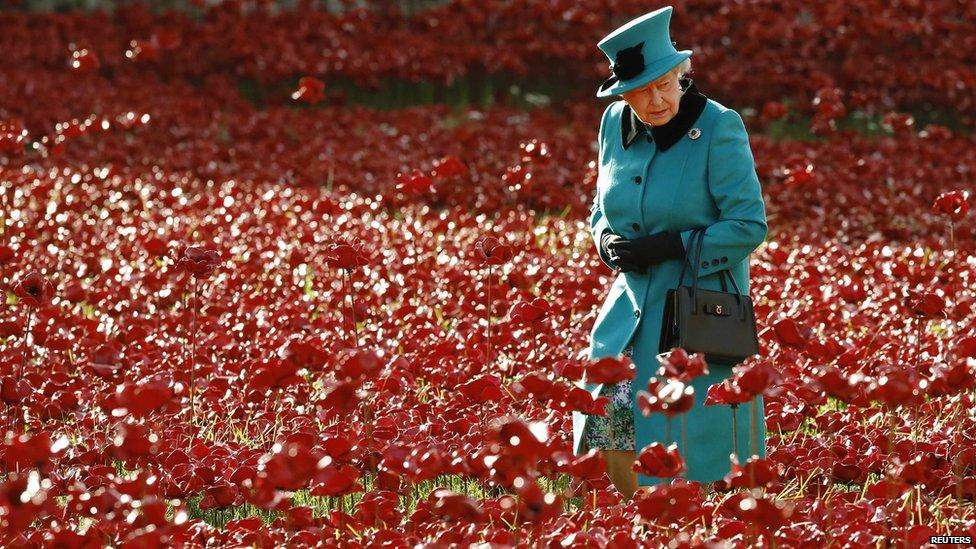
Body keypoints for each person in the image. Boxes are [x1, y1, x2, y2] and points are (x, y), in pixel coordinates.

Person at [570, 5, 769, 499]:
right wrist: (606, 241)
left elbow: (749, 225)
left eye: (664, 85)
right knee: (607, 423)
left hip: (694, 315)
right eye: (640, 92)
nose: (655, 99)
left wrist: (674, 246)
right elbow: (600, 207)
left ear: (684, 75)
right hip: (629, 312)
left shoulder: (719, 127)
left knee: (690, 443)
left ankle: (692, 524)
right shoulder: (613, 124)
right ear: (623, 94)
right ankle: (622, 521)